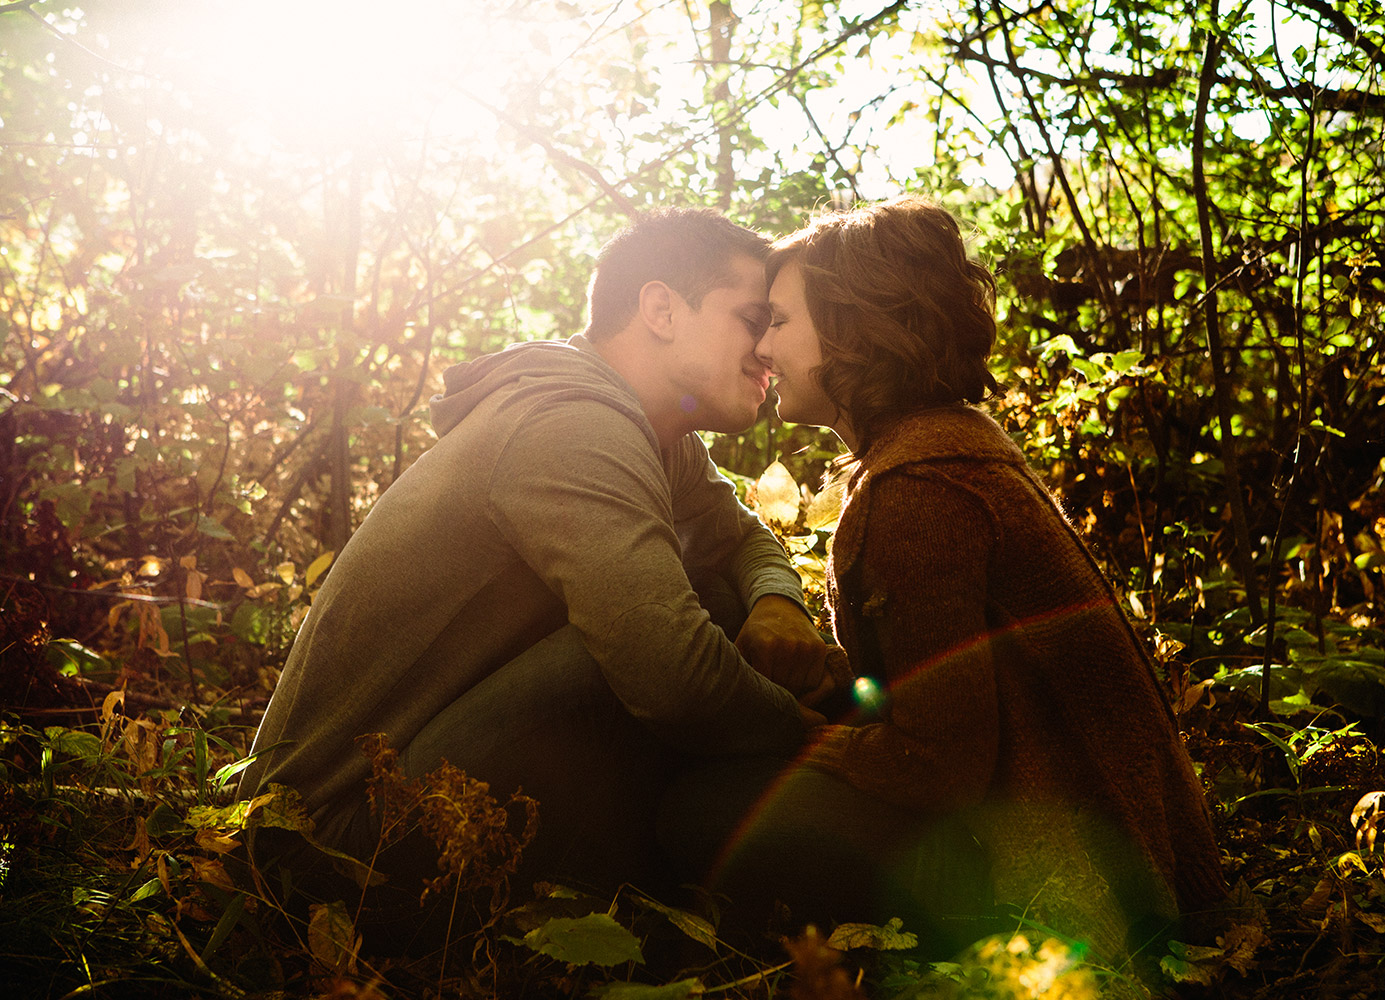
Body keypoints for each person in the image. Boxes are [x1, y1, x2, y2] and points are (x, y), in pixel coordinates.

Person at [238, 208, 832, 941]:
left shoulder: (651, 426)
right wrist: (817, 739)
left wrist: (779, 605)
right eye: (752, 319)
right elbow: (671, 674)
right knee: (646, 642)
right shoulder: (572, 422)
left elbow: (742, 539)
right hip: (328, 852)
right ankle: (660, 901)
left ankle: (664, 880)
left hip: (399, 799)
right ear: (660, 310)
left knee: (711, 596)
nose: (770, 348)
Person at [661, 198, 1227, 962]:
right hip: (1116, 847)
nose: (762, 347)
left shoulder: (922, 489)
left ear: (857, 328)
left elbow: (938, 765)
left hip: (1078, 886)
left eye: (780, 323)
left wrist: (802, 738)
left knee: (696, 815)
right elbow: (930, 677)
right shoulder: (939, 448)